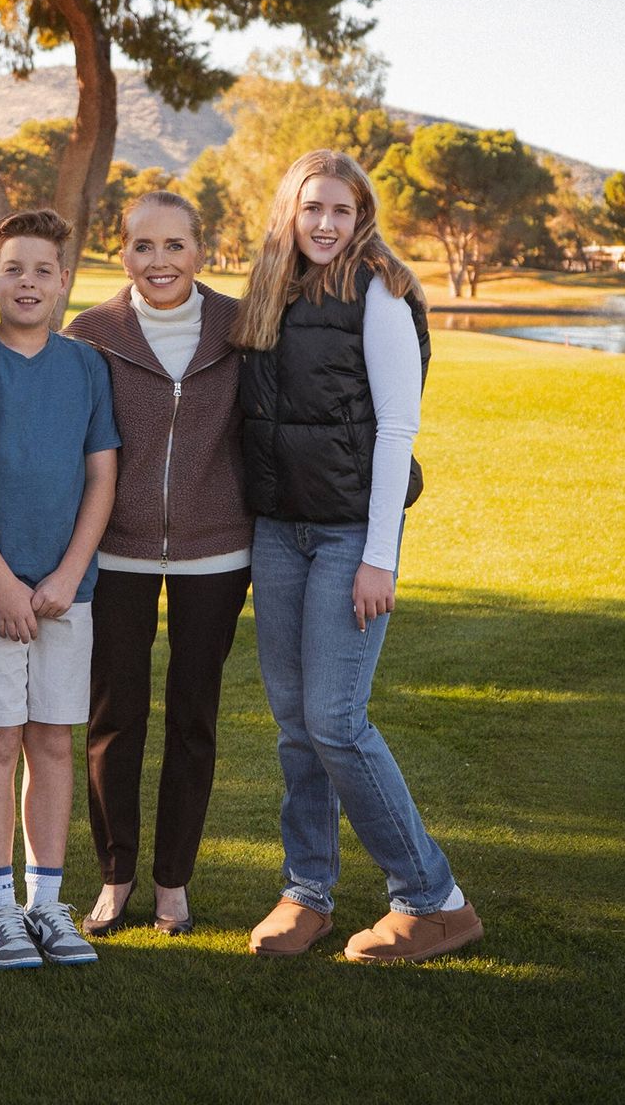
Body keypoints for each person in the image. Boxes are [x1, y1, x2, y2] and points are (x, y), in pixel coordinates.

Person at [233, 149, 483, 964]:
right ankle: (307, 892)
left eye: (342, 210)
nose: (327, 224)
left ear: (362, 215)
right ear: (289, 213)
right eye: (313, 209)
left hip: (348, 538)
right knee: (295, 729)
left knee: (336, 722)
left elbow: (398, 432)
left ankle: (433, 899)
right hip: (279, 533)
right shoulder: (272, 288)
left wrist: (380, 555)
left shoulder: (380, 289)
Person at [62, 191, 252, 937]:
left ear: (201, 251)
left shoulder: (241, 326)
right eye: (144, 246)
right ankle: (116, 877)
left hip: (218, 549)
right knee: (115, 719)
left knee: (194, 718)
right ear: (123, 252)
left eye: (175, 246)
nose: (160, 261)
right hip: (117, 551)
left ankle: (173, 882)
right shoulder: (93, 332)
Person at [0, 208, 120, 969]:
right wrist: (2, 581)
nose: (29, 282)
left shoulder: (85, 366)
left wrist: (71, 572)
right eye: (14, 268)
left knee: (52, 740)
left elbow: (102, 475)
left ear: (65, 281)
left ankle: (47, 904)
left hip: (67, 588)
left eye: (44, 269)